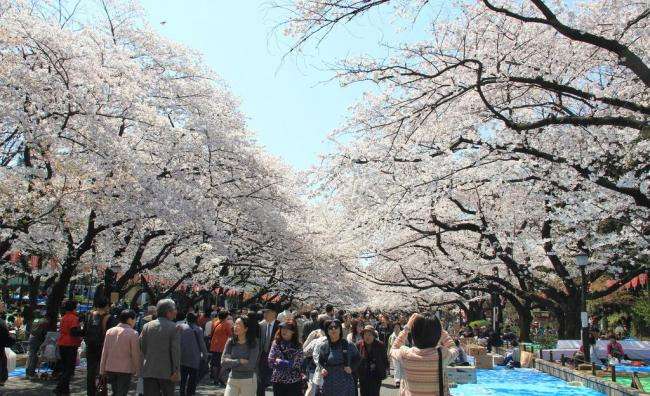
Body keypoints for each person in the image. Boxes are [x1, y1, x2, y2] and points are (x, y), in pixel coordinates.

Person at [390, 313, 457, 395]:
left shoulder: (405, 354)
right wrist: (441, 330)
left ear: (414, 333)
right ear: (437, 334)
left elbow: (393, 349)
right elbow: (454, 348)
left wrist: (406, 328)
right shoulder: (442, 355)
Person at [140, 299, 181, 396]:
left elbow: (143, 347)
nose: (176, 312)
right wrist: (176, 370)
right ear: (168, 312)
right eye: (174, 309)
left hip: (149, 369)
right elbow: (175, 351)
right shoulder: (174, 327)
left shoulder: (146, 326)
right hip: (167, 372)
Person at [100, 309, 141, 396]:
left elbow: (105, 351)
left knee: (114, 392)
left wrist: (102, 369)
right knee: (121, 392)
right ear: (130, 319)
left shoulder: (110, 331)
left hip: (110, 367)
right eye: (135, 319)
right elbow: (135, 354)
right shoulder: (133, 333)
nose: (135, 322)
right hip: (125, 369)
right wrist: (137, 369)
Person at [315, 319, 359, 396]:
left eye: (336, 327)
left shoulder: (348, 345)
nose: (333, 329)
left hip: (346, 384)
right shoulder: (324, 346)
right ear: (327, 331)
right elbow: (320, 361)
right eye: (330, 328)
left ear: (340, 329)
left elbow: (358, 358)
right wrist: (322, 369)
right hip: (329, 384)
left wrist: (351, 368)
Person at [85, 297, 117, 396]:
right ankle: (101, 392)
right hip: (103, 348)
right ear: (107, 306)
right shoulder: (109, 318)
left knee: (90, 372)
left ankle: (90, 393)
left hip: (90, 347)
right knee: (102, 372)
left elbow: (85, 331)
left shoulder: (89, 316)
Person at [221, 316, 260, 396]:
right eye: (235, 324)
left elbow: (250, 365)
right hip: (232, 379)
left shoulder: (253, 343)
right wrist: (239, 361)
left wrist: (231, 362)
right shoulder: (231, 341)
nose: (235, 327)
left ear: (246, 329)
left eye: (239, 325)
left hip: (248, 380)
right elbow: (223, 362)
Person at [55, 300, 83, 395]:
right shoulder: (73, 318)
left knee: (65, 368)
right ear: (74, 308)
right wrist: (83, 332)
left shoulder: (64, 317)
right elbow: (73, 332)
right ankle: (59, 387)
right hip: (70, 344)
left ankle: (65, 390)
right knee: (69, 369)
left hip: (62, 343)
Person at [268, 320, 303, 395]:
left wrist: (280, 362)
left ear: (293, 331)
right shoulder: (276, 343)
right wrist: (288, 363)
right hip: (278, 381)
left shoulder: (298, 346)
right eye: (282, 328)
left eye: (287, 328)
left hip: (294, 382)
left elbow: (297, 364)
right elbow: (270, 362)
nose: (284, 330)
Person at [179, 312, 209, 396]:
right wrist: (205, 355)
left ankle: (182, 393)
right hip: (194, 358)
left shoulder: (181, 327)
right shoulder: (198, 329)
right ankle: (190, 393)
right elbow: (202, 344)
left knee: (183, 379)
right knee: (192, 379)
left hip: (182, 357)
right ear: (195, 319)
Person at [356, 325, 388, 396]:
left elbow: (385, 359)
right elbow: (356, 359)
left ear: (374, 336)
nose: (367, 337)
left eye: (370, 335)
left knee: (375, 393)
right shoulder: (359, 345)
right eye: (365, 335)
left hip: (376, 374)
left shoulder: (381, 345)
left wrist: (386, 370)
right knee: (364, 393)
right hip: (363, 375)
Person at [258, 303, 279, 396]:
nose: (264, 314)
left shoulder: (280, 326)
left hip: (275, 358)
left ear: (274, 313)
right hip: (263, 357)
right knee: (260, 382)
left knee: (275, 383)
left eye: (267, 312)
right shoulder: (261, 325)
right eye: (264, 312)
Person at [303, 318, 327, 396]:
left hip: (315, 366)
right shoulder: (333, 336)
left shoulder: (316, 335)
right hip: (322, 367)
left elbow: (304, 350)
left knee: (313, 388)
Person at [209, 310, 232, 386]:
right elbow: (230, 334)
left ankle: (215, 379)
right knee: (223, 363)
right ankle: (220, 377)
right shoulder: (227, 324)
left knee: (215, 364)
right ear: (226, 316)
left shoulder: (215, 322)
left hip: (214, 346)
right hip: (222, 346)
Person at [0, 301, 15, 386]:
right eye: (2, 306)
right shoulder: (2, 322)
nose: (3, 307)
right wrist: (13, 337)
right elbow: (6, 336)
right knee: (2, 361)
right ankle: (1, 380)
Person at [388, 323, 404, 387]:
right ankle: (397, 381)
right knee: (396, 367)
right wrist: (388, 353)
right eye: (395, 327)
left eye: (398, 327)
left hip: (402, 352)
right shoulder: (391, 336)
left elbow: (408, 343)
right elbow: (389, 346)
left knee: (402, 367)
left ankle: (403, 380)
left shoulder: (403, 335)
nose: (397, 328)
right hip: (394, 353)